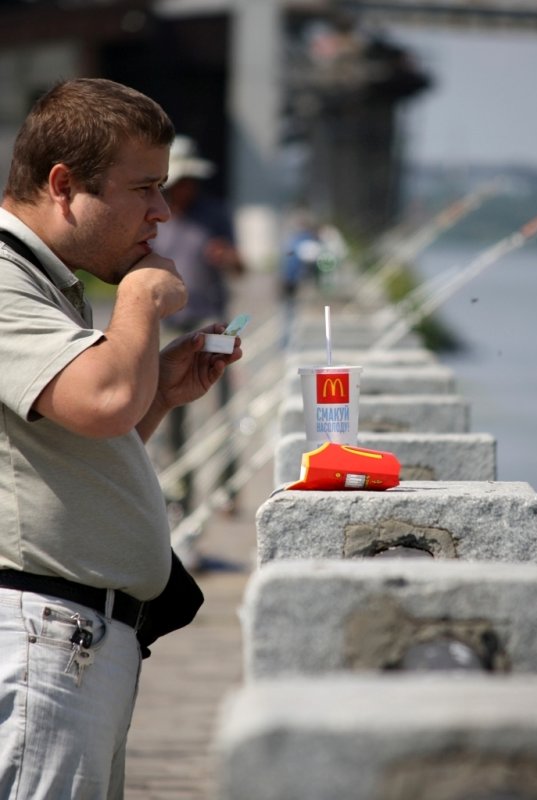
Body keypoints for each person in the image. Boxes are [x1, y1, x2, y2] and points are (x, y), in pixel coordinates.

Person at [0, 78, 242, 799]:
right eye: (145, 189)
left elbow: (71, 444)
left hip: (71, 641)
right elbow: (104, 398)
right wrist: (138, 298)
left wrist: (160, 390)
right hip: (40, 638)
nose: (163, 213)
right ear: (64, 184)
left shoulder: (44, 280)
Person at [154, 135, 246, 511]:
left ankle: (226, 489)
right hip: (169, 323)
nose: (187, 188)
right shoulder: (153, 215)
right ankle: (180, 490)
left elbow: (242, 268)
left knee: (220, 407)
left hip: (212, 323)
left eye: (192, 180)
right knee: (169, 406)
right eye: (181, 181)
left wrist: (228, 256)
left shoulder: (216, 213)